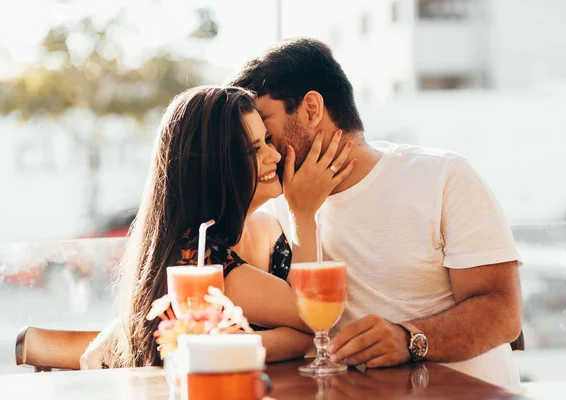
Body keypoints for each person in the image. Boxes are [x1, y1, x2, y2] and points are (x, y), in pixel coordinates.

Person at [228, 37, 523, 386]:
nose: (260, 141)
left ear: (311, 109)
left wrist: (409, 339)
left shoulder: (442, 176)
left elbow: (503, 313)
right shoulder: (278, 202)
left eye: (264, 122)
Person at [94, 85, 356, 368]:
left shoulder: (267, 226)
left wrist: (245, 343)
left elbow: (309, 330)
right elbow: (310, 317)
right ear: (216, 168)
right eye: (254, 150)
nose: (275, 156)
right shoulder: (196, 258)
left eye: (267, 140)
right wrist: (302, 214)